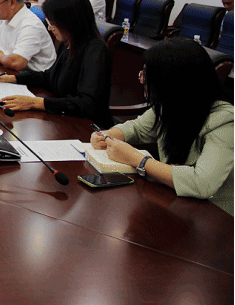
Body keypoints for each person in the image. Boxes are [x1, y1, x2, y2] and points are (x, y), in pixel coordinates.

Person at [90, 38, 233, 216]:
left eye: (148, 75)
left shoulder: (225, 121)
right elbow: (137, 128)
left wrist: (138, 160)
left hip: (215, 217)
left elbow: (201, 183)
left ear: (174, 82)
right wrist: (108, 134)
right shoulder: (172, 105)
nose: (142, 80)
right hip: (175, 204)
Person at [0, 0, 113, 127]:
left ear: (70, 21)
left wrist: (34, 102)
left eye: (53, 23)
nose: (49, 28)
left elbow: (86, 104)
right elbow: (49, 77)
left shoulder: (96, 51)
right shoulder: (69, 44)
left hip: (90, 128)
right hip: (65, 119)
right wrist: (13, 78)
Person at [0, 0, 56, 72]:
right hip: (12, 72)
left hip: (35, 78)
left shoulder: (30, 25)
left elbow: (17, 62)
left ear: (12, 3)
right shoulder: (7, 19)